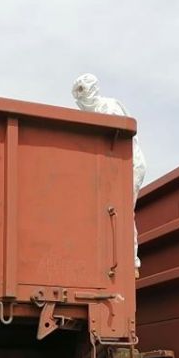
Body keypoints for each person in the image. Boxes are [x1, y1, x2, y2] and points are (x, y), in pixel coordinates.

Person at [71, 73, 147, 275]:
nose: (80, 96)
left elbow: (116, 141)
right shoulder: (92, 114)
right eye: (77, 92)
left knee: (121, 210)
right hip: (115, 165)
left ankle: (131, 263)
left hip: (128, 164)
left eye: (82, 90)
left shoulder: (108, 108)